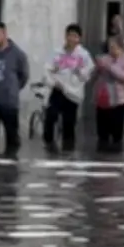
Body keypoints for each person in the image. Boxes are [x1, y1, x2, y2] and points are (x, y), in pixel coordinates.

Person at [0, 22, 29, 159]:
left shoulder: (18, 54)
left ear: (5, 34)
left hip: (9, 102)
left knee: (12, 138)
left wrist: (12, 88)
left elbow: (24, 76)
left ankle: (11, 167)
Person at [42, 23, 93, 152]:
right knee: (50, 116)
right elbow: (47, 69)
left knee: (69, 123)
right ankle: (49, 145)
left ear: (79, 39)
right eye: (69, 35)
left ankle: (68, 149)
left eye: (75, 36)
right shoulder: (57, 52)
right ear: (65, 36)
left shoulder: (83, 55)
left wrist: (79, 72)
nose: (71, 39)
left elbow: (88, 73)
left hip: (73, 93)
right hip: (58, 89)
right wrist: (52, 82)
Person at [94, 36, 124, 152]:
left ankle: (116, 155)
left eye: (114, 47)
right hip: (103, 99)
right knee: (102, 133)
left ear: (121, 48)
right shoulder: (105, 58)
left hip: (120, 100)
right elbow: (95, 76)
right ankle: (101, 156)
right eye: (109, 47)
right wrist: (98, 67)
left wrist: (111, 67)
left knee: (117, 132)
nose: (111, 50)